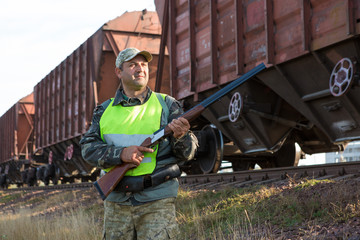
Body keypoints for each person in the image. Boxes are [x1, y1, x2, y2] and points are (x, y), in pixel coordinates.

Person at [80, 47, 198, 240]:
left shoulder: (167, 104)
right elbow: (87, 149)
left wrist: (181, 136)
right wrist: (121, 154)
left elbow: (187, 154)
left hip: (157, 200)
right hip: (117, 202)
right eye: (133, 64)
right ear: (119, 71)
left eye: (144, 64)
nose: (140, 69)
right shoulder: (103, 110)